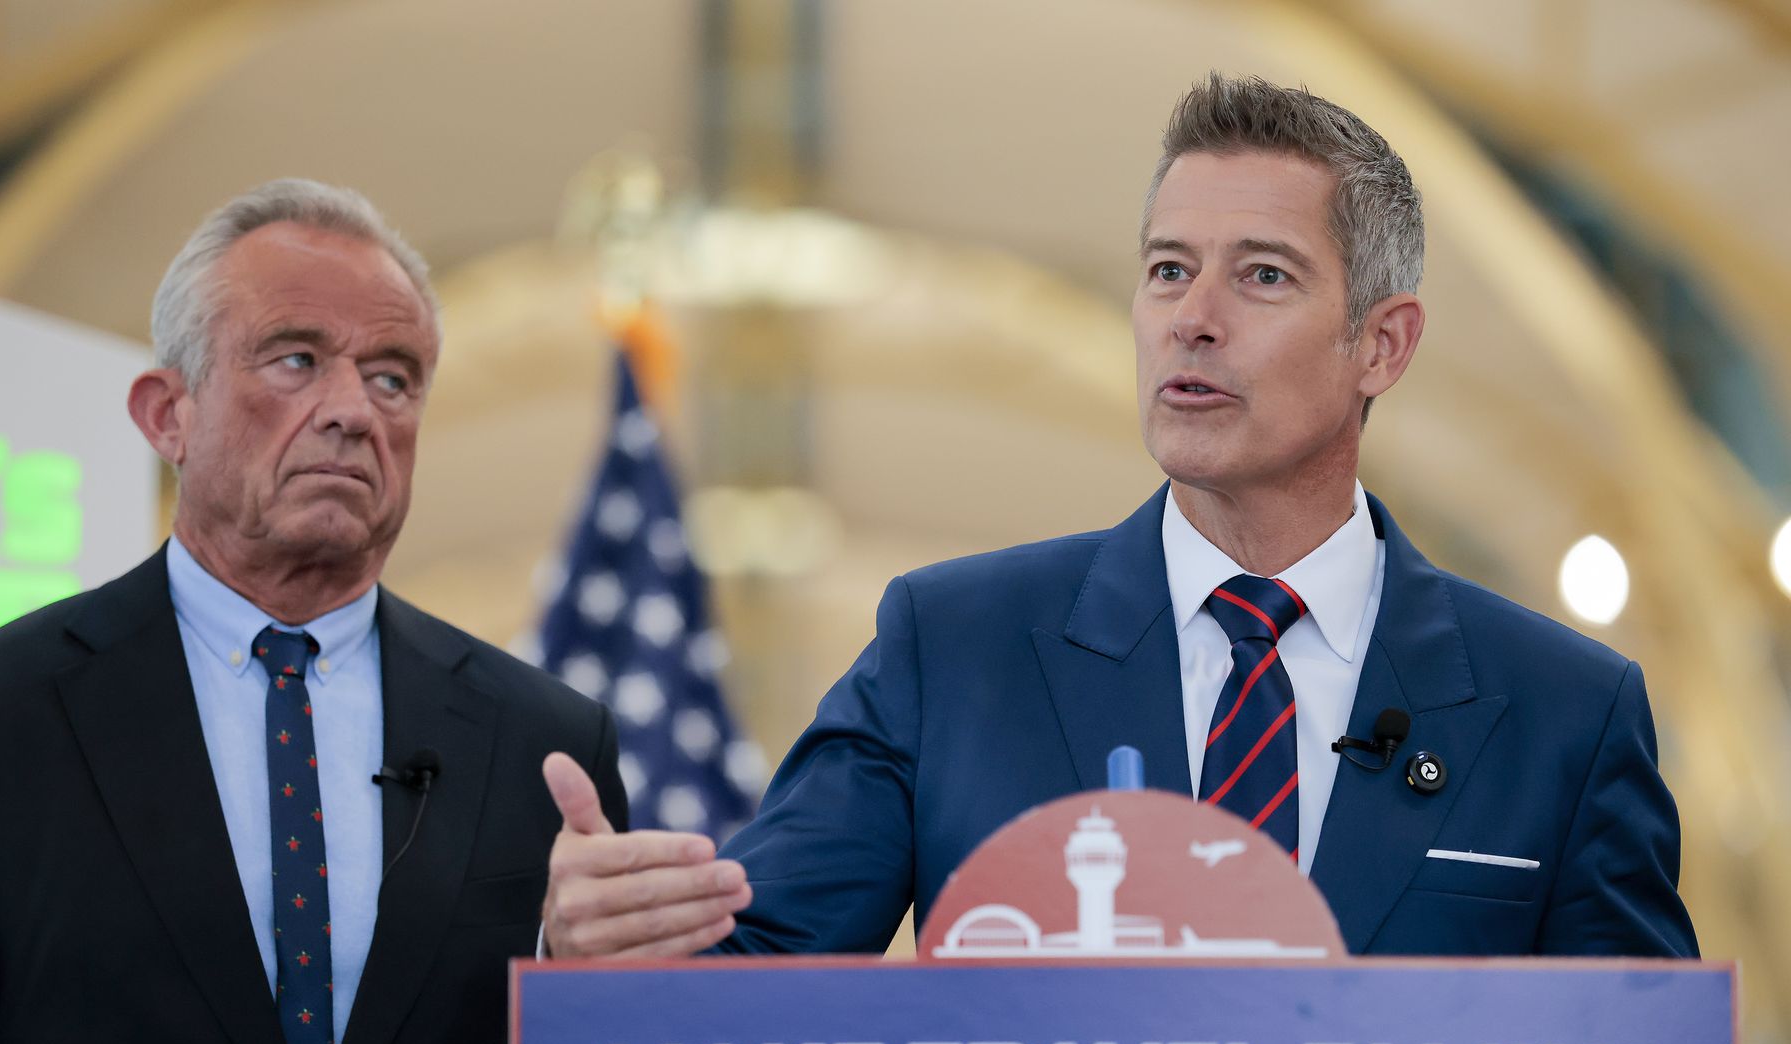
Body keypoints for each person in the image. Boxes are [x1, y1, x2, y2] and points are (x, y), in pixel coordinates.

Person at [538, 73, 1698, 961]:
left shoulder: (1566, 717)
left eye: (1263, 276)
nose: (1192, 319)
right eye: (1165, 270)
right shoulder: (951, 650)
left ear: (1382, 345)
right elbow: (750, 978)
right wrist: (597, 948)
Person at [0, 179, 628, 1044]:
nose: (354, 411)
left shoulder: (544, 741)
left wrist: (580, 980)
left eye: (393, 377)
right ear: (168, 414)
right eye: (296, 360)